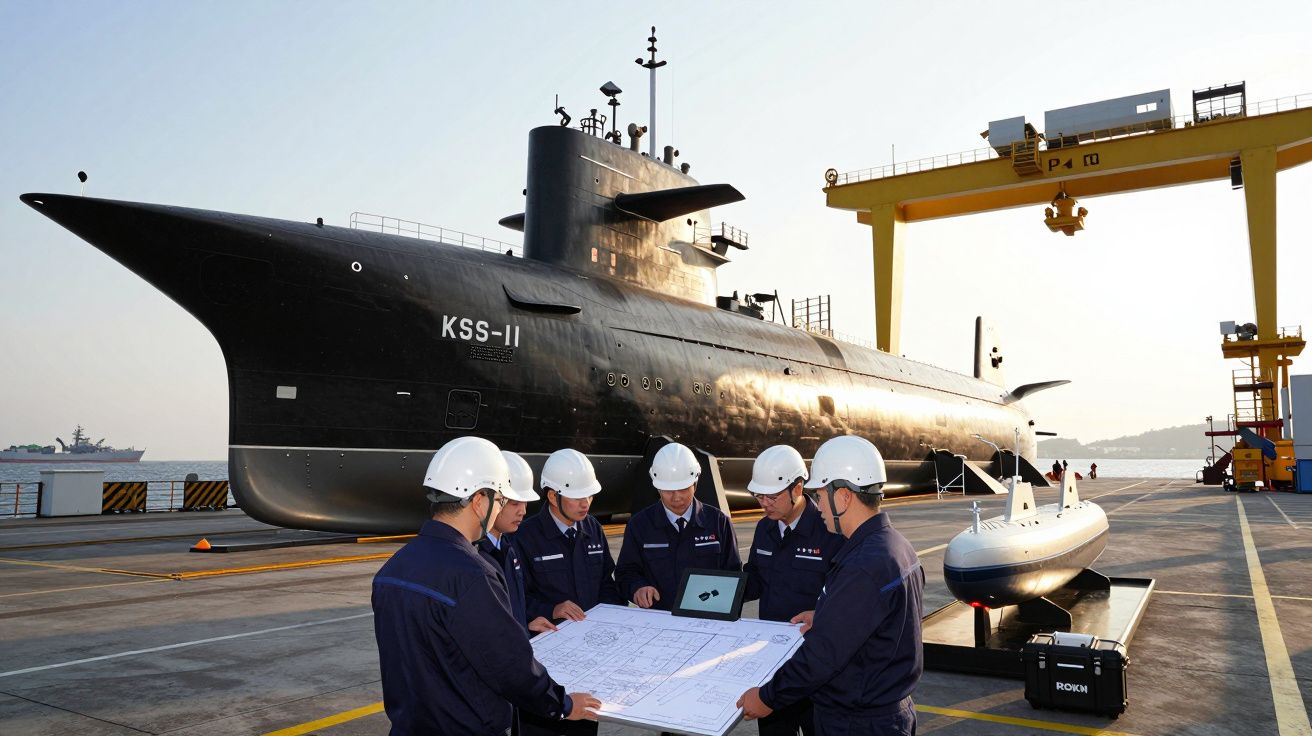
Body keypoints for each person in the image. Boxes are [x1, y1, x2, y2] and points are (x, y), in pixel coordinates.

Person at [372, 436, 599, 735]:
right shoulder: (473, 575)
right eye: (502, 500)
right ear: (480, 501)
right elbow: (511, 668)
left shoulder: (392, 569)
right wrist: (564, 705)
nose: (502, 509)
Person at [737, 435, 925, 736]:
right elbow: (864, 621)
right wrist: (825, 615)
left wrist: (767, 697)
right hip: (879, 711)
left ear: (844, 497)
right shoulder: (895, 547)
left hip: (858, 722)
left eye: (821, 495)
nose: (818, 505)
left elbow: (824, 654)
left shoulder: (864, 566)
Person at [515, 448, 625, 736]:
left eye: (589, 496)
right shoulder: (525, 537)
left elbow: (607, 584)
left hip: (590, 657)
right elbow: (513, 600)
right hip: (547, 663)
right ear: (553, 496)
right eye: (577, 497)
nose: (585, 503)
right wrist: (551, 609)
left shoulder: (592, 529)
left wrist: (613, 617)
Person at [742, 445, 845, 736]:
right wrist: (724, 591)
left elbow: (843, 599)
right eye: (759, 496)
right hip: (773, 661)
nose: (764, 503)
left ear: (798, 488)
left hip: (815, 666)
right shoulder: (765, 528)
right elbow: (756, 578)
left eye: (771, 496)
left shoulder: (829, 531)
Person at [616, 442, 741, 611]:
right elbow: (626, 572)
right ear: (657, 487)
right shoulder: (639, 525)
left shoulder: (718, 522)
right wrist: (637, 588)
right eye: (668, 490)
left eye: (683, 488)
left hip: (708, 617)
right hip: (659, 619)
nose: (676, 497)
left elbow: (733, 575)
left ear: (695, 483)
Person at [476, 451, 558, 634]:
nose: (522, 511)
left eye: (525, 503)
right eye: (514, 503)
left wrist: (526, 626)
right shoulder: (476, 556)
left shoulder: (508, 547)